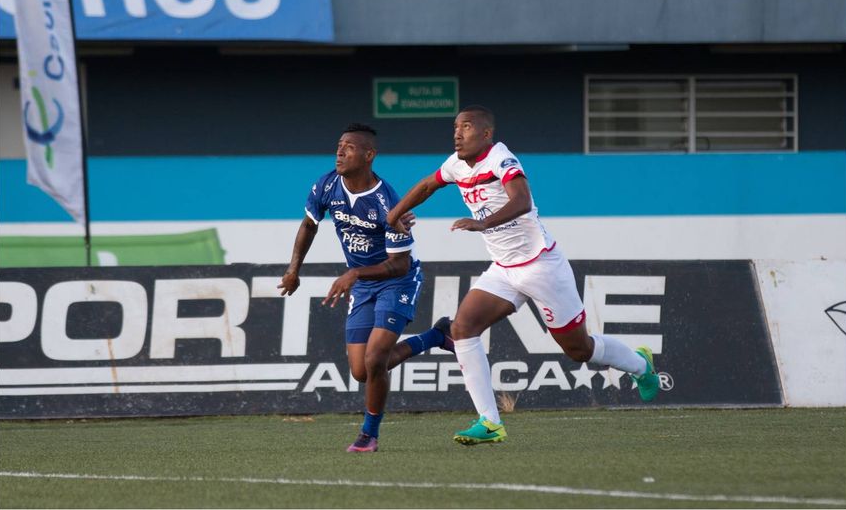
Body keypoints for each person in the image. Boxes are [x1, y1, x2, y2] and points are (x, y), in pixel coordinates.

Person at [386, 105, 660, 445]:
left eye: (466, 127)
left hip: (541, 266)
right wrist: (393, 215)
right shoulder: (456, 164)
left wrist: (483, 223)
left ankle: (640, 365)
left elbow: (522, 200)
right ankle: (490, 422)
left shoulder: (500, 159)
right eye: (456, 127)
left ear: (486, 134)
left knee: (579, 350)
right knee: (463, 328)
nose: (457, 133)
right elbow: (428, 185)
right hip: (504, 269)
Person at [278, 123, 453, 453]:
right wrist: (293, 270)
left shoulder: (388, 201)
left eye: (349, 147)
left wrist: (355, 273)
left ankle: (368, 435)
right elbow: (309, 225)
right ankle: (436, 336)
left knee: (375, 359)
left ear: (369, 155)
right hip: (363, 284)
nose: (340, 152)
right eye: (339, 145)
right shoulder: (327, 184)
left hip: (397, 281)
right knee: (361, 371)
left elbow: (399, 265)